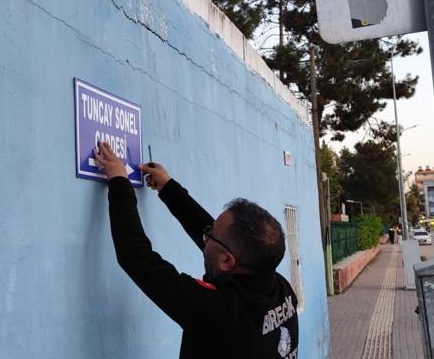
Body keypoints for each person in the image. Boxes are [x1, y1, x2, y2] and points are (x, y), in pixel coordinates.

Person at [93, 141, 299, 359]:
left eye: (210, 235)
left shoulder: (218, 311)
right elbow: (224, 244)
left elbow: (137, 258)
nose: (206, 236)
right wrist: (170, 189)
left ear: (227, 261)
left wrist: (119, 182)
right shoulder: (279, 288)